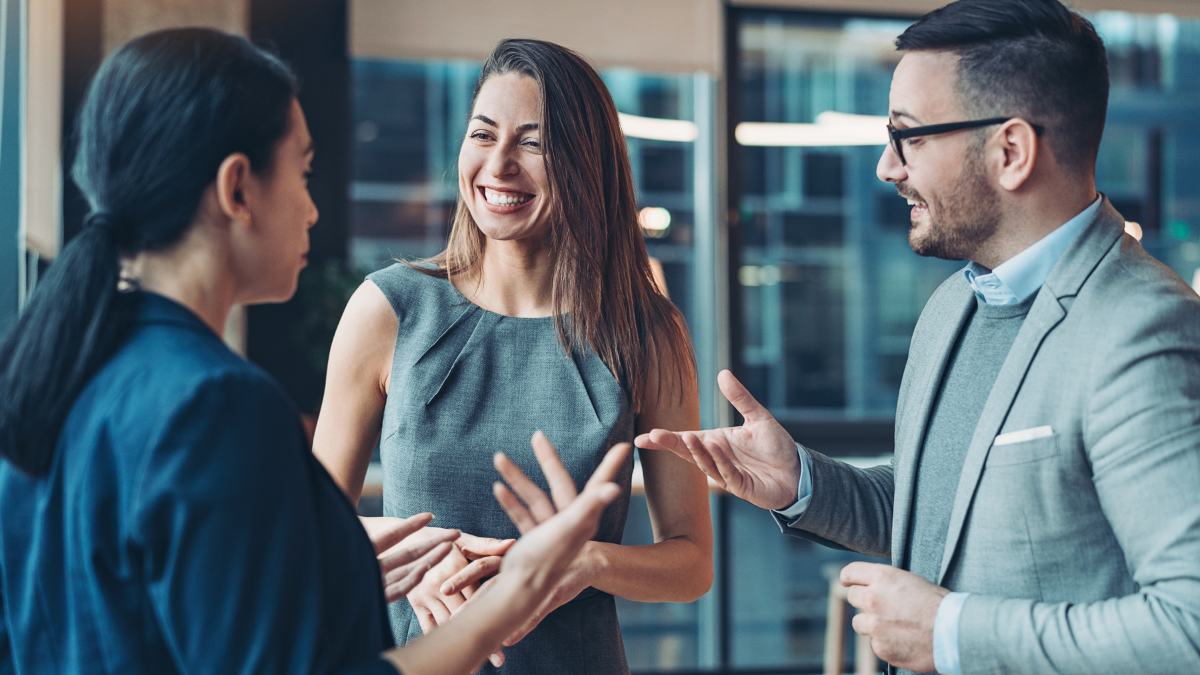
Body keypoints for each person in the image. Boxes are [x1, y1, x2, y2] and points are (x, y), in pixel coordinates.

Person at [0, 28, 631, 675]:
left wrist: (342, 556)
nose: (310, 209)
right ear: (238, 188)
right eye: (302, 172)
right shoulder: (217, 403)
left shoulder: (58, 370)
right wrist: (516, 593)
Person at [638, 1, 1200, 674]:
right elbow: (944, 513)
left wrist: (953, 631)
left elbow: (1188, 625)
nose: (886, 165)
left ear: (1011, 151)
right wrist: (803, 482)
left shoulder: (1142, 328)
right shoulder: (950, 307)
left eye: (909, 136)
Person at [313, 39, 714, 674]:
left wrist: (587, 563)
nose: (498, 164)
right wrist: (407, 562)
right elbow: (311, 535)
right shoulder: (387, 310)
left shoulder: (646, 332)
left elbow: (691, 563)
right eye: (483, 134)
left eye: (532, 142)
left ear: (585, 162)